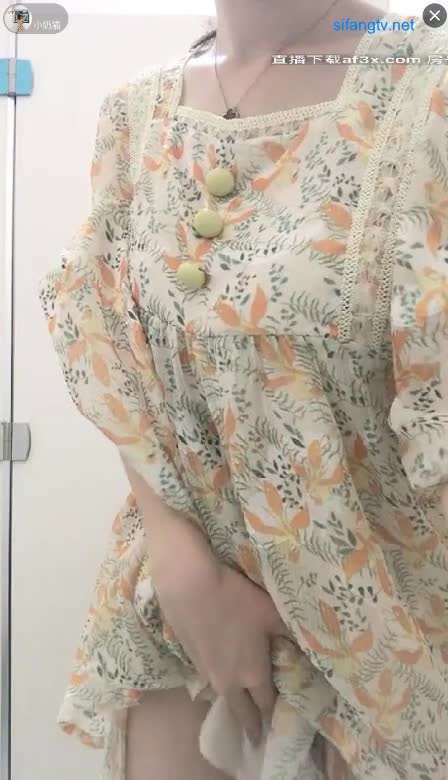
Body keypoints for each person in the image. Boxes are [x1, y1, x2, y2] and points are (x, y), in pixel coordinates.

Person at [38, 0, 448, 778]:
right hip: (185, 621)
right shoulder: (135, 115)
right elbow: (116, 352)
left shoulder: (426, 82)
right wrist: (180, 561)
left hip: (387, 648)